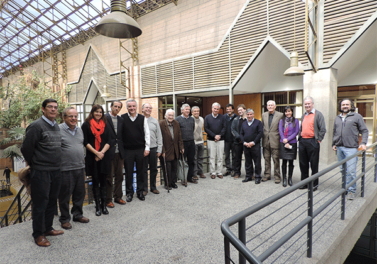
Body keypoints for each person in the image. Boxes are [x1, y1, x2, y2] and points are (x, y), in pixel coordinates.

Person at [21, 98, 64, 247]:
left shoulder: (56, 126)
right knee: (40, 203)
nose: (53, 109)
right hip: (41, 172)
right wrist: (35, 164)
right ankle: (38, 234)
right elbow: (26, 149)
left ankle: (48, 228)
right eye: (50, 107)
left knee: (52, 200)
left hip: (55, 170)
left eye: (55, 107)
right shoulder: (36, 126)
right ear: (43, 109)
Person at [58, 107, 89, 230]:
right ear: (64, 117)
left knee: (80, 193)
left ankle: (77, 214)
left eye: (75, 116)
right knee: (65, 196)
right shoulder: (58, 129)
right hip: (65, 168)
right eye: (70, 116)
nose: (73, 118)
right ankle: (65, 219)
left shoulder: (79, 130)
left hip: (80, 167)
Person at [332, 98, 368, 200]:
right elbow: (335, 131)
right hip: (339, 148)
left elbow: (364, 131)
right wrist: (333, 143)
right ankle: (345, 188)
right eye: (343, 105)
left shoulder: (357, 116)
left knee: (351, 171)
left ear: (351, 106)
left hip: (351, 148)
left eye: (347, 104)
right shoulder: (337, 118)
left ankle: (351, 190)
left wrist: (363, 143)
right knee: (342, 170)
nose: (345, 106)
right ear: (340, 106)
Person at [81, 105, 111, 216]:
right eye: (96, 112)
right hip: (92, 157)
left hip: (103, 157)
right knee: (95, 182)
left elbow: (110, 140)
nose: (98, 114)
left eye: (100, 112)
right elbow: (85, 142)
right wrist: (96, 153)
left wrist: (101, 153)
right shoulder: (86, 124)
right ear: (92, 112)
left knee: (104, 181)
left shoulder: (106, 124)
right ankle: (97, 206)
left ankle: (104, 206)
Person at [121, 99, 150, 202]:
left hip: (140, 149)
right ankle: (129, 193)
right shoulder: (122, 118)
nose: (132, 108)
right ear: (127, 107)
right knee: (128, 172)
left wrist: (147, 148)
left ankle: (140, 192)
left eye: (133, 106)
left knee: (141, 172)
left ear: (136, 107)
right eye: (130, 106)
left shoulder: (143, 118)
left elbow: (147, 134)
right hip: (127, 150)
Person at [299, 96, 326, 190]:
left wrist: (319, 140)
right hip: (303, 141)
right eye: (305, 104)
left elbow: (323, 129)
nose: (307, 105)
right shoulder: (304, 115)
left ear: (312, 104)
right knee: (303, 164)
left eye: (309, 103)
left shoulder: (318, 114)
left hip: (312, 141)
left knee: (314, 164)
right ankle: (304, 183)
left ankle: (314, 184)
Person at [105, 101, 127, 208]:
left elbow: (122, 136)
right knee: (109, 177)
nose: (117, 108)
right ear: (111, 106)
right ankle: (108, 199)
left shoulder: (121, 119)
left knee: (119, 176)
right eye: (115, 106)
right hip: (109, 152)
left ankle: (118, 197)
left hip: (120, 152)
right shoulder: (104, 118)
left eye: (119, 107)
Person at [159, 109, 184, 190]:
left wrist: (181, 147)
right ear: (165, 116)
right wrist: (162, 150)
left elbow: (180, 136)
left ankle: (173, 182)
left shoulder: (176, 123)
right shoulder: (161, 123)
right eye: (169, 115)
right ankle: (167, 184)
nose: (170, 117)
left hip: (175, 150)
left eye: (172, 115)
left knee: (174, 168)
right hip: (166, 150)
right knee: (167, 168)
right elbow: (160, 139)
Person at [142, 103, 163, 195]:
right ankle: (144, 188)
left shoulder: (155, 121)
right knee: (144, 169)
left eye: (150, 108)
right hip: (143, 149)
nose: (148, 109)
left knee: (154, 169)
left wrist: (159, 149)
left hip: (154, 148)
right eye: (146, 107)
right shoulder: (140, 120)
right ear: (142, 109)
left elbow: (159, 136)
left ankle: (153, 187)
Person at [261, 100, 284, 183]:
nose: (270, 106)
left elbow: (282, 128)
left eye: (271, 105)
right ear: (267, 107)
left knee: (276, 160)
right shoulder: (263, 115)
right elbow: (263, 127)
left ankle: (277, 176)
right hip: (265, 141)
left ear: (275, 106)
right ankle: (267, 175)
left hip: (275, 140)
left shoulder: (280, 115)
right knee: (266, 159)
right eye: (268, 105)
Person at [240, 109, 263, 184]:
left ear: (253, 114)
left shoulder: (258, 123)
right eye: (248, 114)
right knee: (248, 162)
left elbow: (260, 133)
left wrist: (253, 142)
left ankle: (257, 177)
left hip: (255, 146)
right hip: (246, 146)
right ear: (246, 115)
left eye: (250, 114)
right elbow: (241, 134)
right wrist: (244, 142)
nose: (249, 116)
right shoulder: (243, 123)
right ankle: (248, 176)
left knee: (257, 162)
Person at [175, 104, 197, 184]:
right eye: (186, 109)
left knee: (191, 161)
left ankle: (189, 177)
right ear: (182, 110)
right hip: (182, 143)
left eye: (188, 109)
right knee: (183, 162)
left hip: (191, 142)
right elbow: (176, 132)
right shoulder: (177, 119)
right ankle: (183, 178)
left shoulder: (192, 119)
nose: (187, 111)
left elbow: (193, 129)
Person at [278, 106, 299, 187]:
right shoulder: (281, 121)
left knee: (291, 162)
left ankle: (290, 178)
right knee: (284, 162)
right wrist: (284, 139)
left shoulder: (296, 121)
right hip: (283, 142)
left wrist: (288, 139)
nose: (288, 113)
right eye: (286, 111)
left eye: (289, 111)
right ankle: (284, 179)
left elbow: (296, 131)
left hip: (292, 142)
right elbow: (280, 130)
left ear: (292, 112)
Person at [205, 102, 226, 179]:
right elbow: (206, 128)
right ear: (212, 108)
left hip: (221, 140)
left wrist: (219, 136)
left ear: (219, 110)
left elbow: (224, 128)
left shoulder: (222, 117)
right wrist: (214, 136)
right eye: (214, 108)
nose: (216, 110)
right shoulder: (207, 117)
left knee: (220, 157)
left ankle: (219, 172)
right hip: (211, 140)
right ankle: (212, 172)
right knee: (212, 157)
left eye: (217, 109)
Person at [231, 104, 247, 179]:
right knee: (237, 159)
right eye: (238, 110)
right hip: (238, 142)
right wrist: (239, 137)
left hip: (246, 142)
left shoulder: (248, 119)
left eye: (241, 110)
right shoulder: (236, 119)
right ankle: (237, 173)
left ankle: (249, 173)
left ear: (244, 110)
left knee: (248, 159)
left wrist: (244, 139)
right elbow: (233, 129)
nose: (240, 111)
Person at [192, 106, 206, 179]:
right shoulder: (190, 119)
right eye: (195, 111)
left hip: (201, 141)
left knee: (200, 158)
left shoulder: (201, 119)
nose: (196, 112)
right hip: (194, 142)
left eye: (197, 111)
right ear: (192, 112)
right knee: (194, 159)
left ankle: (200, 172)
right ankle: (194, 174)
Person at [224, 104, 237, 176]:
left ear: (233, 110)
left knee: (234, 156)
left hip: (234, 140)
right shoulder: (224, 117)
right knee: (227, 156)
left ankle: (234, 169)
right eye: (227, 109)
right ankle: (228, 169)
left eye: (230, 109)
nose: (228, 110)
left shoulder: (237, 117)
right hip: (226, 140)